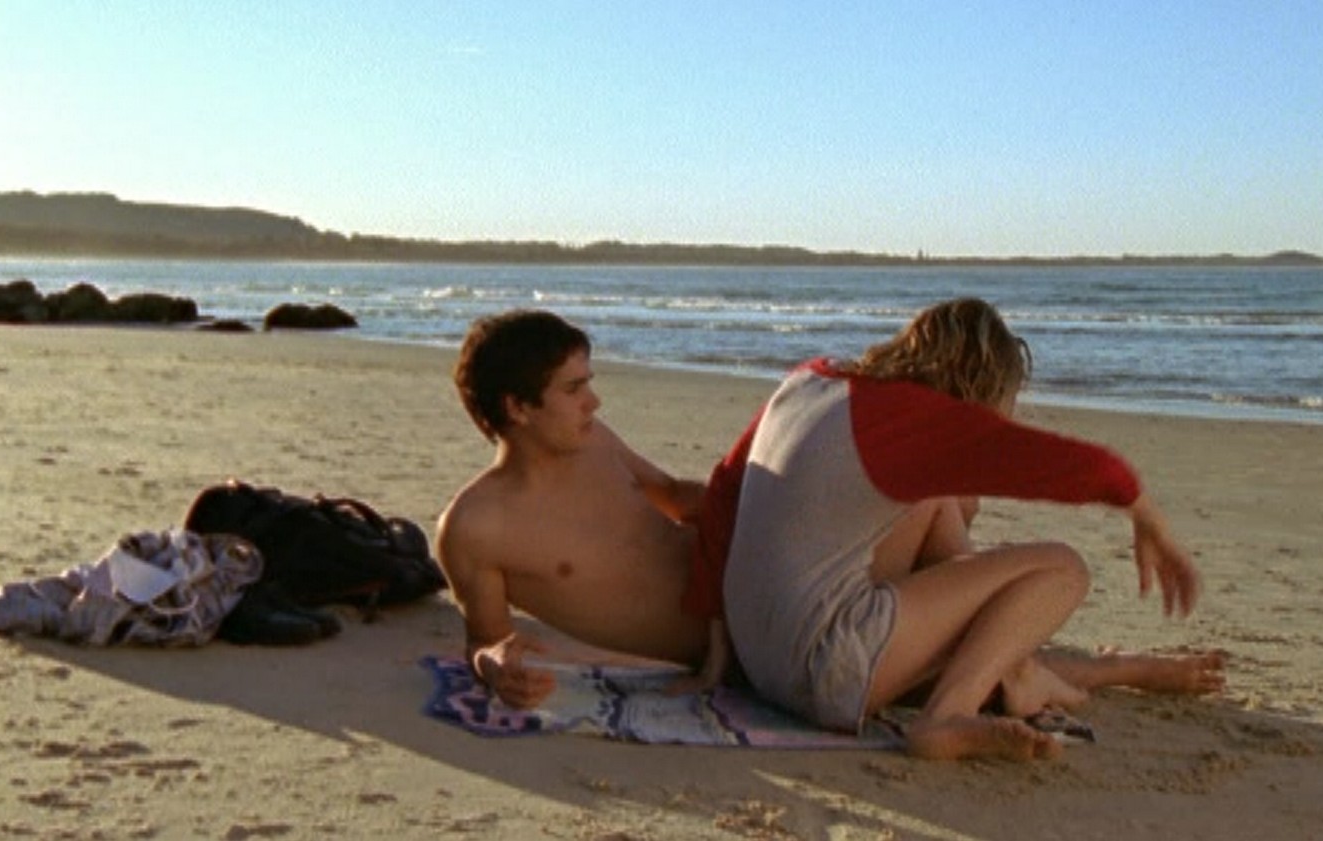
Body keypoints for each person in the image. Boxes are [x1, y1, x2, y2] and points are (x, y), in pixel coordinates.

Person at [682, 297, 1219, 761]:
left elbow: (725, 487)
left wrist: (715, 636)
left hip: (758, 660)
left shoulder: (810, 380)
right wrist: (1143, 511)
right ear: (974, 389)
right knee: (1062, 569)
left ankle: (1071, 671)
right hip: (820, 672)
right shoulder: (905, 420)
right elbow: (1064, 464)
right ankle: (947, 715)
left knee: (943, 517)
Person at [435, 309, 709, 708]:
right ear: (517, 407)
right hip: (747, 642)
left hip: (748, 572)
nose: (593, 402)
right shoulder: (475, 526)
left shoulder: (594, 441)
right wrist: (496, 666)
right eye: (573, 389)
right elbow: (486, 641)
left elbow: (676, 496)